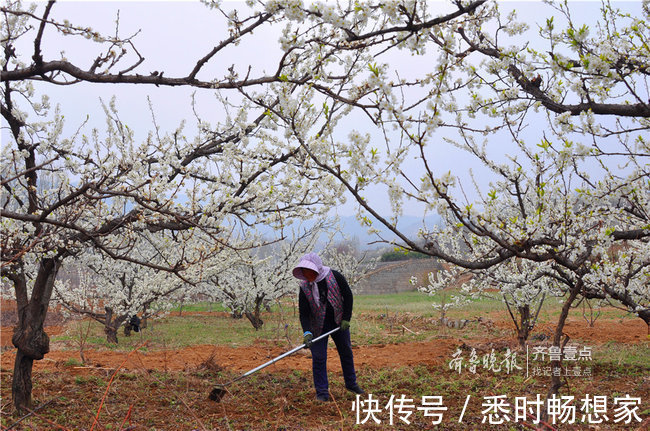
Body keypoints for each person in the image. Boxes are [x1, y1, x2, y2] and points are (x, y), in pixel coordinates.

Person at [292, 252, 364, 402]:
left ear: (317, 269)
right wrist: (307, 332)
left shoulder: (334, 276)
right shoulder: (304, 287)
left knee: (346, 352)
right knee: (319, 357)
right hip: (317, 326)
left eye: (309, 271)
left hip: (338, 322)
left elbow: (348, 295)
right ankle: (322, 393)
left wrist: (346, 318)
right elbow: (304, 313)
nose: (307, 274)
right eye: (304, 272)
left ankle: (351, 384)